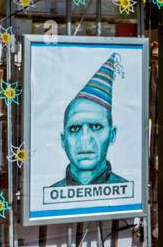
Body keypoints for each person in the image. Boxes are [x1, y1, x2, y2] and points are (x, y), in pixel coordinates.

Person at [52, 53, 126, 187]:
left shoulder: (125, 189)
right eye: (74, 129)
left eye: (96, 127)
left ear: (112, 134)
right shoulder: (51, 193)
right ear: (63, 140)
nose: (85, 138)